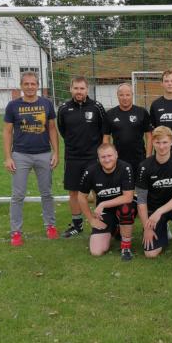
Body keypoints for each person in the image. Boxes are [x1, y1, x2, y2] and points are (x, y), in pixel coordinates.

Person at [2, 71, 59, 246]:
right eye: (26, 84)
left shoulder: (46, 104)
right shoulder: (12, 106)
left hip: (43, 154)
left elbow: (51, 129)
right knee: (18, 195)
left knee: (47, 193)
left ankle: (50, 225)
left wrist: (56, 152)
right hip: (20, 155)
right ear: (21, 86)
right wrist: (8, 157)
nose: (29, 87)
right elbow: (7, 131)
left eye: (33, 84)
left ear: (37, 85)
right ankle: (16, 232)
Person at [56, 76, 107, 238]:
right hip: (72, 158)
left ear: (87, 90)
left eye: (82, 88)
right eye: (76, 88)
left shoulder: (97, 107)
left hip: (93, 157)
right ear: (71, 89)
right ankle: (77, 225)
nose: (79, 91)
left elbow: (104, 131)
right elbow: (63, 131)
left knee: (99, 190)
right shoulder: (63, 108)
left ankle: (101, 221)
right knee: (74, 193)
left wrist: (101, 154)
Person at [135, 126, 172, 264]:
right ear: (153, 143)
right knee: (151, 253)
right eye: (158, 143)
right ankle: (163, 228)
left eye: (165, 142)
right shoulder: (144, 166)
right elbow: (142, 201)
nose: (161, 147)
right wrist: (146, 228)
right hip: (153, 210)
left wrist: (161, 211)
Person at [76, 144, 136, 260]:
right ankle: (115, 228)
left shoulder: (125, 168)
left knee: (125, 209)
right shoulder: (90, 171)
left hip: (123, 206)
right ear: (98, 158)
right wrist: (91, 219)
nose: (107, 159)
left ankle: (125, 247)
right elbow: (81, 197)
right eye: (103, 157)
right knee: (97, 251)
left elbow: (128, 197)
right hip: (105, 212)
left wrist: (103, 204)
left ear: (116, 155)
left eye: (110, 155)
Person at [105, 83, 153, 172]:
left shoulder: (142, 112)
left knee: (140, 185)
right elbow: (106, 137)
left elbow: (149, 136)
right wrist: (108, 156)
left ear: (132, 95)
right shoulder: (110, 114)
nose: (125, 98)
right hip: (118, 159)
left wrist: (148, 156)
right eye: (121, 95)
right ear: (117, 96)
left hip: (139, 158)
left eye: (127, 94)